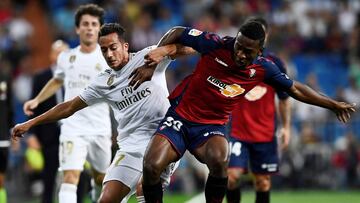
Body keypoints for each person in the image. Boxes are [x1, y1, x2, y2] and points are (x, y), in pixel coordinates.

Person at [137, 21, 356, 203]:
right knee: (151, 165)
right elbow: (178, 32)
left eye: (247, 51)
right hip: (180, 116)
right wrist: (152, 63)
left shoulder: (264, 68)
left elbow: (296, 88)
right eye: (238, 47)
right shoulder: (216, 44)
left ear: (259, 52)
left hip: (212, 125)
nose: (240, 54)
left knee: (220, 161)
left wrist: (333, 104)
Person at [13, 23, 192, 203]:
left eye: (113, 48)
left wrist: (164, 50)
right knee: (106, 200)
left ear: (125, 46)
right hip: (130, 147)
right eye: (104, 50)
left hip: (163, 139)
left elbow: (189, 48)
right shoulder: (103, 82)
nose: (109, 54)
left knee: (144, 188)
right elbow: (68, 107)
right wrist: (30, 123)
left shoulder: (147, 56)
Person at [22, 4, 112, 203]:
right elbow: (57, 80)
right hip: (72, 127)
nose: (89, 28)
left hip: (100, 127)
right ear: (77, 29)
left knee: (101, 178)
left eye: (94, 24)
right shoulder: (66, 57)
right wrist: (37, 100)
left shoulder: (107, 58)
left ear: (99, 28)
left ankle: (98, 195)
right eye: (85, 24)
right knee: (70, 176)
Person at [226, 17, 291, 203]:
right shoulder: (236, 59)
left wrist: (286, 127)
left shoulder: (275, 64)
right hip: (238, 132)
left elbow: (284, 98)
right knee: (232, 176)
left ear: (266, 37)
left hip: (265, 134)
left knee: (262, 182)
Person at [26, 40, 68, 203]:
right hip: (48, 136)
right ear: (51, 55)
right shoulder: (41, 77)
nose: (60, 56)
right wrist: (31, 134)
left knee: (77, 176)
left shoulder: (74, 76)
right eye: (57, 52)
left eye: (64, 52)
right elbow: (33, 106)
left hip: (73, 132)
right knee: (49, 178)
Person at [0, 63, 13, 203]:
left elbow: (9, 109)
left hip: (2, 138)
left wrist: (12, 132)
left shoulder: (4, 78)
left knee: (0, 180)